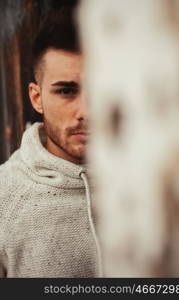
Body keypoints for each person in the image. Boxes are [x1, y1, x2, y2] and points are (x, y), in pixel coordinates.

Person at [0, 6, 101, 277]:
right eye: (66, 91)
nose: (86, 112)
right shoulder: (4, 197)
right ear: (36, 98)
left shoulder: (158, 184)